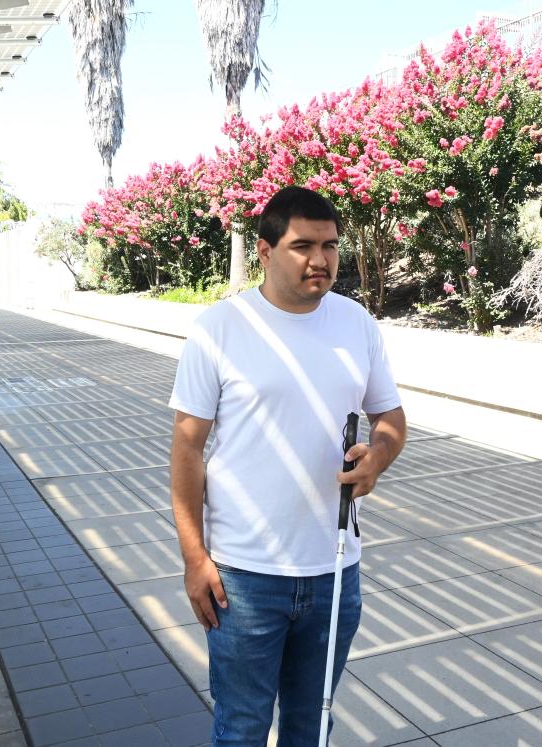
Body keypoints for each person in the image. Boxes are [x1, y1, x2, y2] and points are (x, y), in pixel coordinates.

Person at [169, 186, 407, 745]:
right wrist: (194, 558)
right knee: (242, 728)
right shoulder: (219, 329)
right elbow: (186, 449)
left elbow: (391, 418)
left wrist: (378, 456)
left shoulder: (356, 324)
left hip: (334, 571)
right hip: (244, 579)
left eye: (330, 245)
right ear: (265, 250)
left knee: (311, 726)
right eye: (303, 245)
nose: (320, 260)